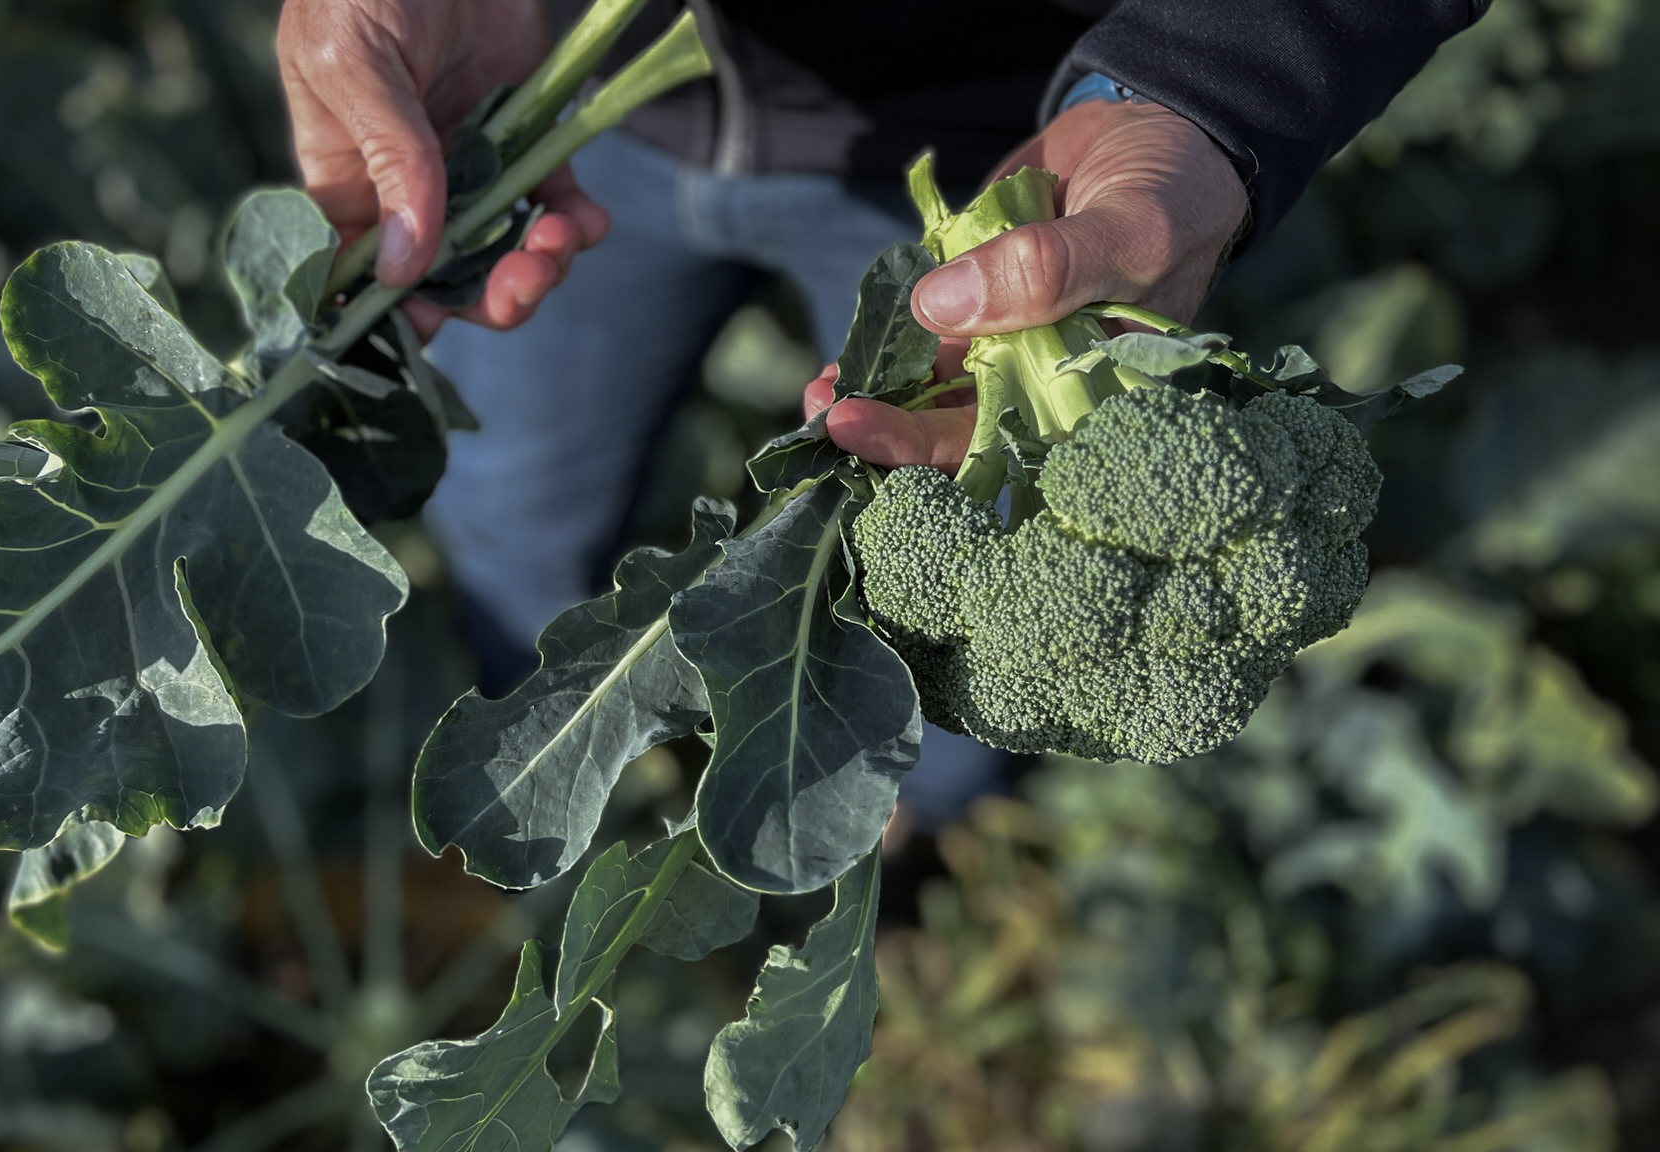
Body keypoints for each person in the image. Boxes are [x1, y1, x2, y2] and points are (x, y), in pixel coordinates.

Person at [276, 0, 1487, 823]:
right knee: (506, 499)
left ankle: (905, 827)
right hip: (581, 105)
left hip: (1020, 122)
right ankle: (563, 742)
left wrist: (1201, 83)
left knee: (922, 650)